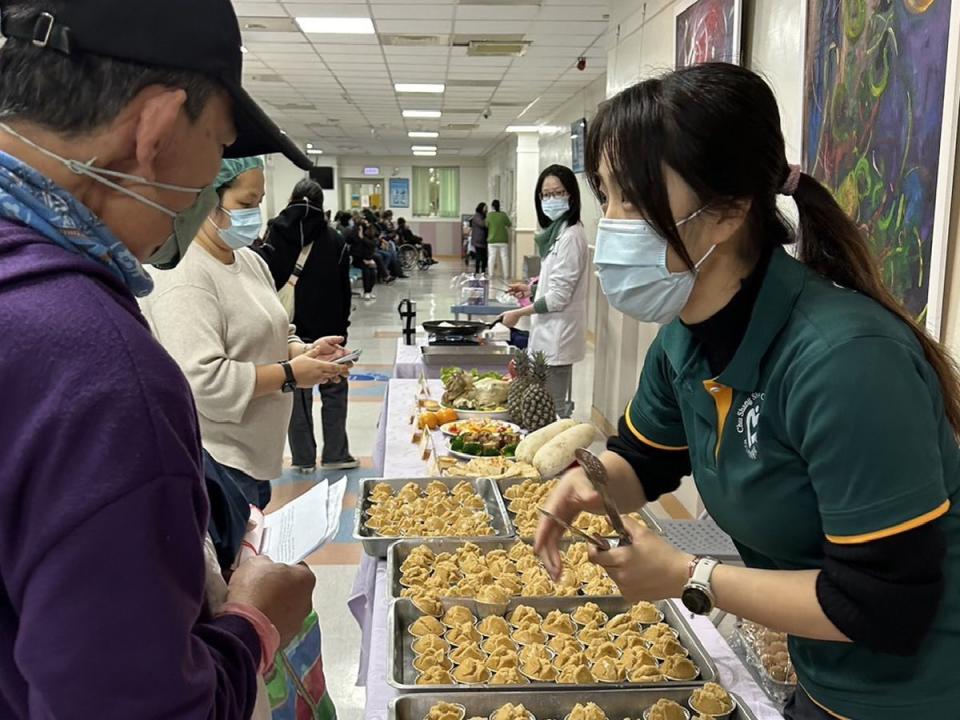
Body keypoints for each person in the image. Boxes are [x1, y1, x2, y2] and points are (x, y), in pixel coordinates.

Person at [536, 63, 960, 720]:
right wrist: (589, 480)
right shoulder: (686, 338)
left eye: (635, 198)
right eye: (605, 194)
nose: (613, 225)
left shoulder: (844, 362)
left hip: (921, 691)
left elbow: (886, 604)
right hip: (826, 673)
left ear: (728, 210)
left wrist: (689, 577)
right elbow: (645, 459)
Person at [0, 0, 320, 717]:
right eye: (219, 142)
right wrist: (255, 627)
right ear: (158, 127)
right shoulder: (98, 370)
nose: (212, 187)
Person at [142, 158, 350, 508]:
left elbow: (276, 331)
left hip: (255, 459)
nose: (254, 214)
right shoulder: (184, 275)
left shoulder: (248, 261)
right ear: (205, 199)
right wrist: (289, 375)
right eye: (246, 203)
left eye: (259, 201)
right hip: (216, 462)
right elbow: (204, 380)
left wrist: (304, 351)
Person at [258, 180, 358, 473]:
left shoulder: (274, 232)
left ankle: (302, 459)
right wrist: (342, 329)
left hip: (286, 330)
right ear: (321, 203)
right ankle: (336, 454)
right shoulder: (334, 239)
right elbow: (343, 291)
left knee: (295, 393)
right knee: (334, 393)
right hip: (327, 330)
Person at [502, 165, 589, 417]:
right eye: (545, 195)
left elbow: (560, 297)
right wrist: (530, 289)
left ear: (571, 196)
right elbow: (555, 282)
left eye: (557, 193)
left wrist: (519, 313)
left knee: (553, 408)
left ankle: (557, 456)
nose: (550, 200)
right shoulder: (556, 234)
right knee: (544, 403)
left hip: (559, 334)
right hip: (548, 332)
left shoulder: (572, 236)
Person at [486, 199, 513, 280]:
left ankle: (490, 275)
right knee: (504, 257)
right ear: (499, 206)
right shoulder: (503, 215)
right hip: (503, 239)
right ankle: (506, 275)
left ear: (492, 206)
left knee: (491, 257)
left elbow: (486, 225)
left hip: (492, 239)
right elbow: (509, 224)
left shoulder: (489, 215)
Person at [471, 202, 489, 273]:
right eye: (485, 208)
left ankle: (483, 271)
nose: (486, 210)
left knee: (484, 257)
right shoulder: (477, 216)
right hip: (478, 240)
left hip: (482, 240)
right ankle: (477, 270)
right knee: (479, 256)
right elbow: (483, 224)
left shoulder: (482, 216)